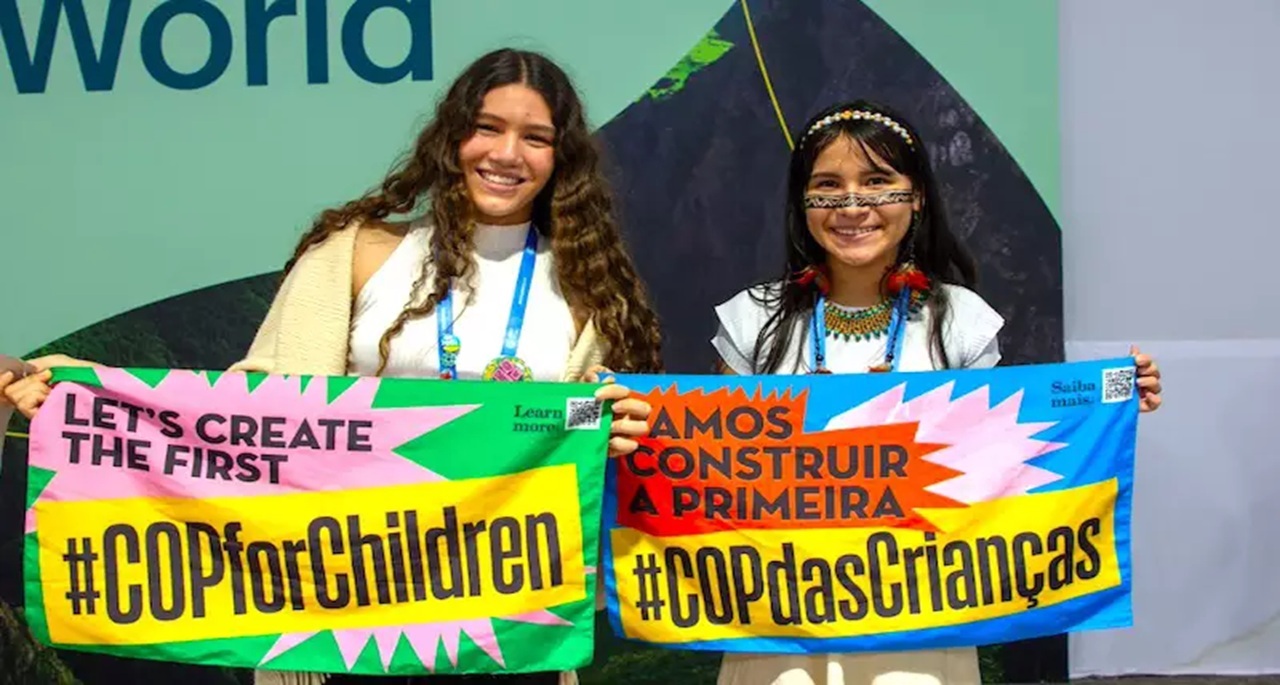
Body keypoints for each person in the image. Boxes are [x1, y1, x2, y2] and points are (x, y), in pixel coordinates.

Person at [3, 48, 662, 685]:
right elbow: (245, 411)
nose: (506, 153)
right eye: (487, 127)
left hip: (501, 638)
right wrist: (87, 394)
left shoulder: (586, 293)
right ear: (452, 136)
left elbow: (581, 455)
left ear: (561, 158)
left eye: (535, 137)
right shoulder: (360, 255)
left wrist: (619, 434)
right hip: (343, 626)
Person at [709, 99, 1163, 685]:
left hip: (921, 622)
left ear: (916, 196)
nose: (852, 205)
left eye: (878, 182)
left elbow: (998, 471)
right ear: (803, 202)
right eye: (828, 186)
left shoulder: (962, 323)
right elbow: (712, 460)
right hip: (778, 627)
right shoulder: (754, 320)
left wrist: (1115, 398)